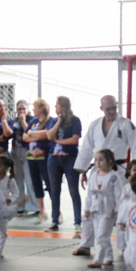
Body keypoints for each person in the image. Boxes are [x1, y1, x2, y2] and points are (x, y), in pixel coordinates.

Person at [73, 94, 136, 257]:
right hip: (97, 171)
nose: (112, 111)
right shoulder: (95, 125)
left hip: (119, 170)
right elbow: (87, 148)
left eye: (114, 108)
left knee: (122, 208)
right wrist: (83, 170)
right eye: (108, 108)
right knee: (90, 208)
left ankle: (125, 246)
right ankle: (86, 244)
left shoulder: (125, 124)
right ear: (101, 108)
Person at [46, 96, 82, 233]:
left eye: (57, 105)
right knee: (54, 190)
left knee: (73, 190)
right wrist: (59, 121)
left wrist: (59, 142)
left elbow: (74, 139)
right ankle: (54, 220)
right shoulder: (53, 121)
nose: (55, 107)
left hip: (69, 157)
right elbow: (50, 136)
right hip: (54, 158)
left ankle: (77, 221)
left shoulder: (75, 120)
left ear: (63, 106)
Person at [84, 149, 125, 269]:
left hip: (108, 209)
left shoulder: (114, 177)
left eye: (101, 160)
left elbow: (118, 195)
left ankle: (98, 260)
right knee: (100, 235)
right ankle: (108, 257)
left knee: (102, 235)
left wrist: (118, 210)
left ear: (109, 161)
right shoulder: (93, 176)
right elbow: (89, 194)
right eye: (96, 160)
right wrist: (87, 208)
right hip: (95, 208)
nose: (97, 162)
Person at [22, 98, 56, 224]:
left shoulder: (51, 121)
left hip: (44, 156)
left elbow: (47, 134)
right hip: (31, 156)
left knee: (49, 182)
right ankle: (42, 211)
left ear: (41, 108)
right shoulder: (33, 121)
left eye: (35, 107)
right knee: (36, 183)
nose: (33, 110)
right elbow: (24, 137)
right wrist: (34, 134)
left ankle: (56, 211)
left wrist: (32, 133)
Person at [9, 100, 40, 216]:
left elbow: (30, 133)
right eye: (19, 109)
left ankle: (35, 205)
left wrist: (23, 121)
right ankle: (20, 206)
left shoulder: (33, 120)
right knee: (18, 180)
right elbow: (10, 133)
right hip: (16, 151)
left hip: (29, 151)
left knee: (30, 179)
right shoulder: (14, 121)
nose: (21, 111)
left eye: (23, 109)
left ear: (28, 109)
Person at [117, 159, 136, 271]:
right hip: (130, 220)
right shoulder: (126, 188)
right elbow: (123, 206)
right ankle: (130, 264)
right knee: (129, 243)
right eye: (134, 170)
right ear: (129, 172)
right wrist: (121, 221)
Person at [0, 154, 26, 255]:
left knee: (2, 232)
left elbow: (16, 193)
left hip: (4, 208)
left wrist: (10, 199)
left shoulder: (10, 180)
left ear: (7, 168)